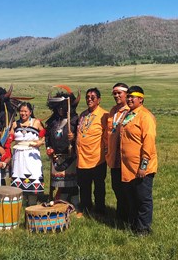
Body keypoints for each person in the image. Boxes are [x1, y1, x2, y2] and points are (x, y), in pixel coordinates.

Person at [119, 85, 157, 235]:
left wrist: (144, 165)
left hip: (141, 166)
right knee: (132, 198)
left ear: (140, 99)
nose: (129, 99)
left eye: (132, 97)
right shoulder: (129, 114)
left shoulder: (145, 116)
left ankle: (144, 228)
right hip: (128, 166)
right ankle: (134, 224)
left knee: (143, 198)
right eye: (127, 96)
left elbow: (149, 142)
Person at [44, 85, 79, 206]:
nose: (60, 110)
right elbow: (47, 137)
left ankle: (75, 204)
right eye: (58, 107)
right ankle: (61, 202)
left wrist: (74, 138)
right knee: (58, 182)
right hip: (56, 156)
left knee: (71, 183)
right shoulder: (53, 121)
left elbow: (81, 138)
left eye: (63, 107)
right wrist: (48, 147)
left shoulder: (75, 120)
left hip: (70, 156)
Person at [76, 87, 108, 216]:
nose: (89, 99)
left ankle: (100, 209)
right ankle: (85, 207)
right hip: (82, 157)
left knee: (99, 186)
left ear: (98, 100)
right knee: (84, 185)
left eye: (92, 97)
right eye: (87, 97)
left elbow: (107, 136)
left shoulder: (104, 115)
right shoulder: (83, 115)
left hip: (97, 157)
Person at [9, 102, 46, 206]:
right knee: (19, 175)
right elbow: (10, 137)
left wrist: (41, 142)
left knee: (33, 174)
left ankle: (32, 202)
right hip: (19, 154)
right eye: (21, 111)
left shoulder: (36, 122)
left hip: (32, 154)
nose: (23, 113)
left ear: (30, 112)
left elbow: (44, 133)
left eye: (25, 111)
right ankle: (21, 202)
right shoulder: (15, 124)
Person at [105, 82, 130, 224]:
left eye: (119, 93)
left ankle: (128, 216)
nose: (116, 96)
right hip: (113, 157)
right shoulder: (113, 111)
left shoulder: (130, 111)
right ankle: (121, 214)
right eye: (114, 93)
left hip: (125, 158)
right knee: (116, 187)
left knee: (126, 188)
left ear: (126, 94)